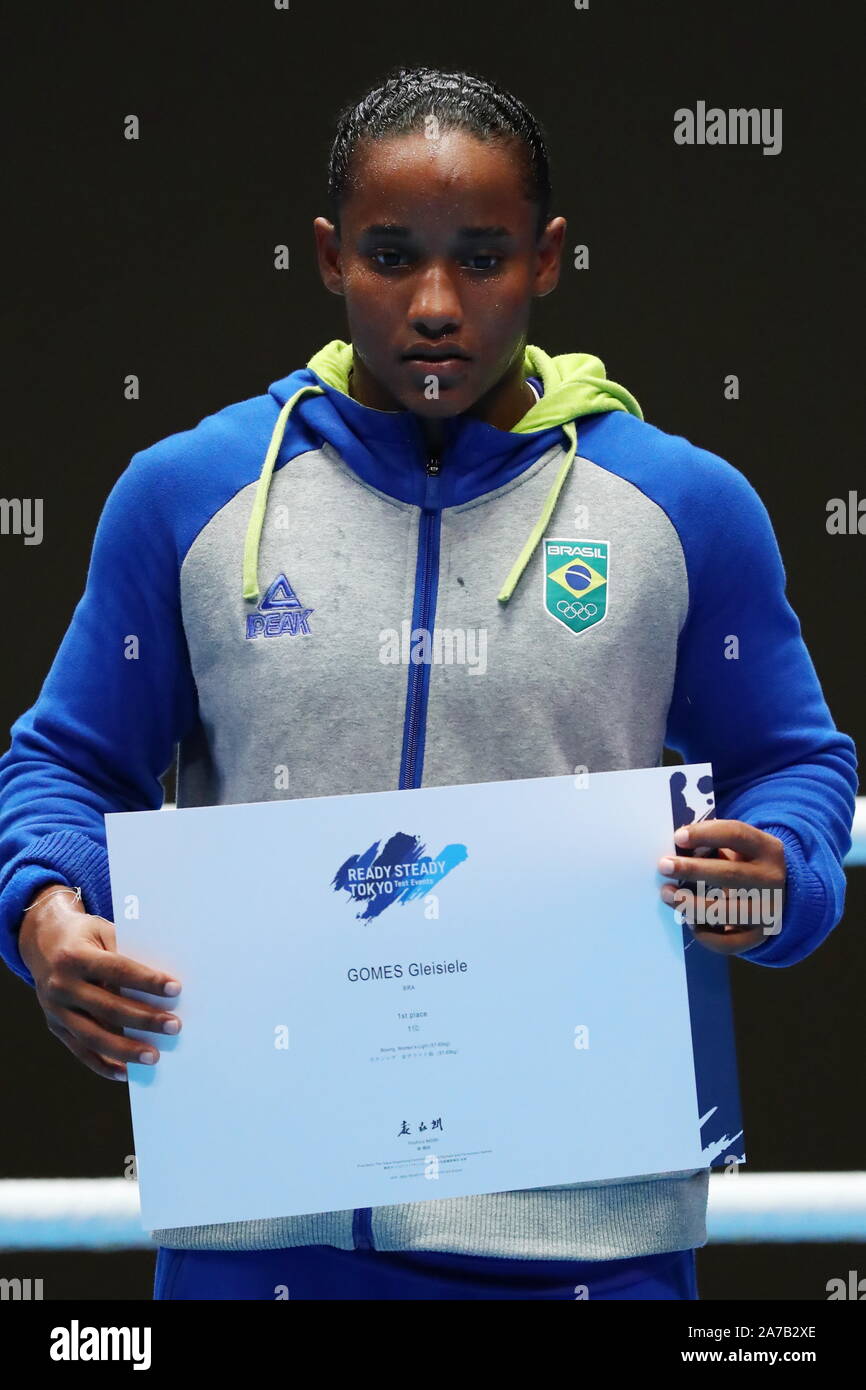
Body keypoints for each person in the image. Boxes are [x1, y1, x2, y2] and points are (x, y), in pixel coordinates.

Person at [0, 65, 857, 1302]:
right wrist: (44, 914)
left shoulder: (685, 506)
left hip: (591, 1238)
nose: (437, 304)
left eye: (484, 256)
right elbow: (64, 764)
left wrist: (780, 871)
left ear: (550, 258)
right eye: (392, 256)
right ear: (326, 257)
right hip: (260, 1227)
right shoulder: (186, 495)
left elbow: (798, 763)